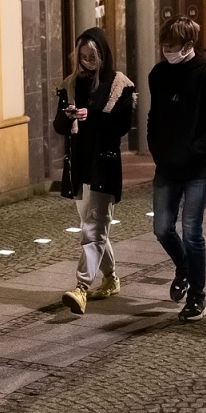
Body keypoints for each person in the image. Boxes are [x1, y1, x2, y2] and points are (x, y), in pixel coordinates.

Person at [146, 16, 206, 322]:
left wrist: (195, 150)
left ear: (188, 45)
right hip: (167, 165)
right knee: (162, 228)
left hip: (197, 167)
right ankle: (183, 266)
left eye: (172, 45)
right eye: (164, 45)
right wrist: (156, 148)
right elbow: (154, 115)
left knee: (192, 231)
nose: (167, 50)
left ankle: (197, 296)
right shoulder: (158, 74)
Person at [54, 27, 135, 316]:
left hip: (105, 166)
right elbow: (59, 128)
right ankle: (111, 279)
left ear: (103, 55)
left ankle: (81, 288)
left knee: (92, 230)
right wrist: (67, 117)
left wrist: (92, 117)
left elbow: (122, 126)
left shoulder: (120, 85)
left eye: (93, 56)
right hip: (79, 167)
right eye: (83, 56)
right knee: (96, 230)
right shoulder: (70, 85)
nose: (88, 61)